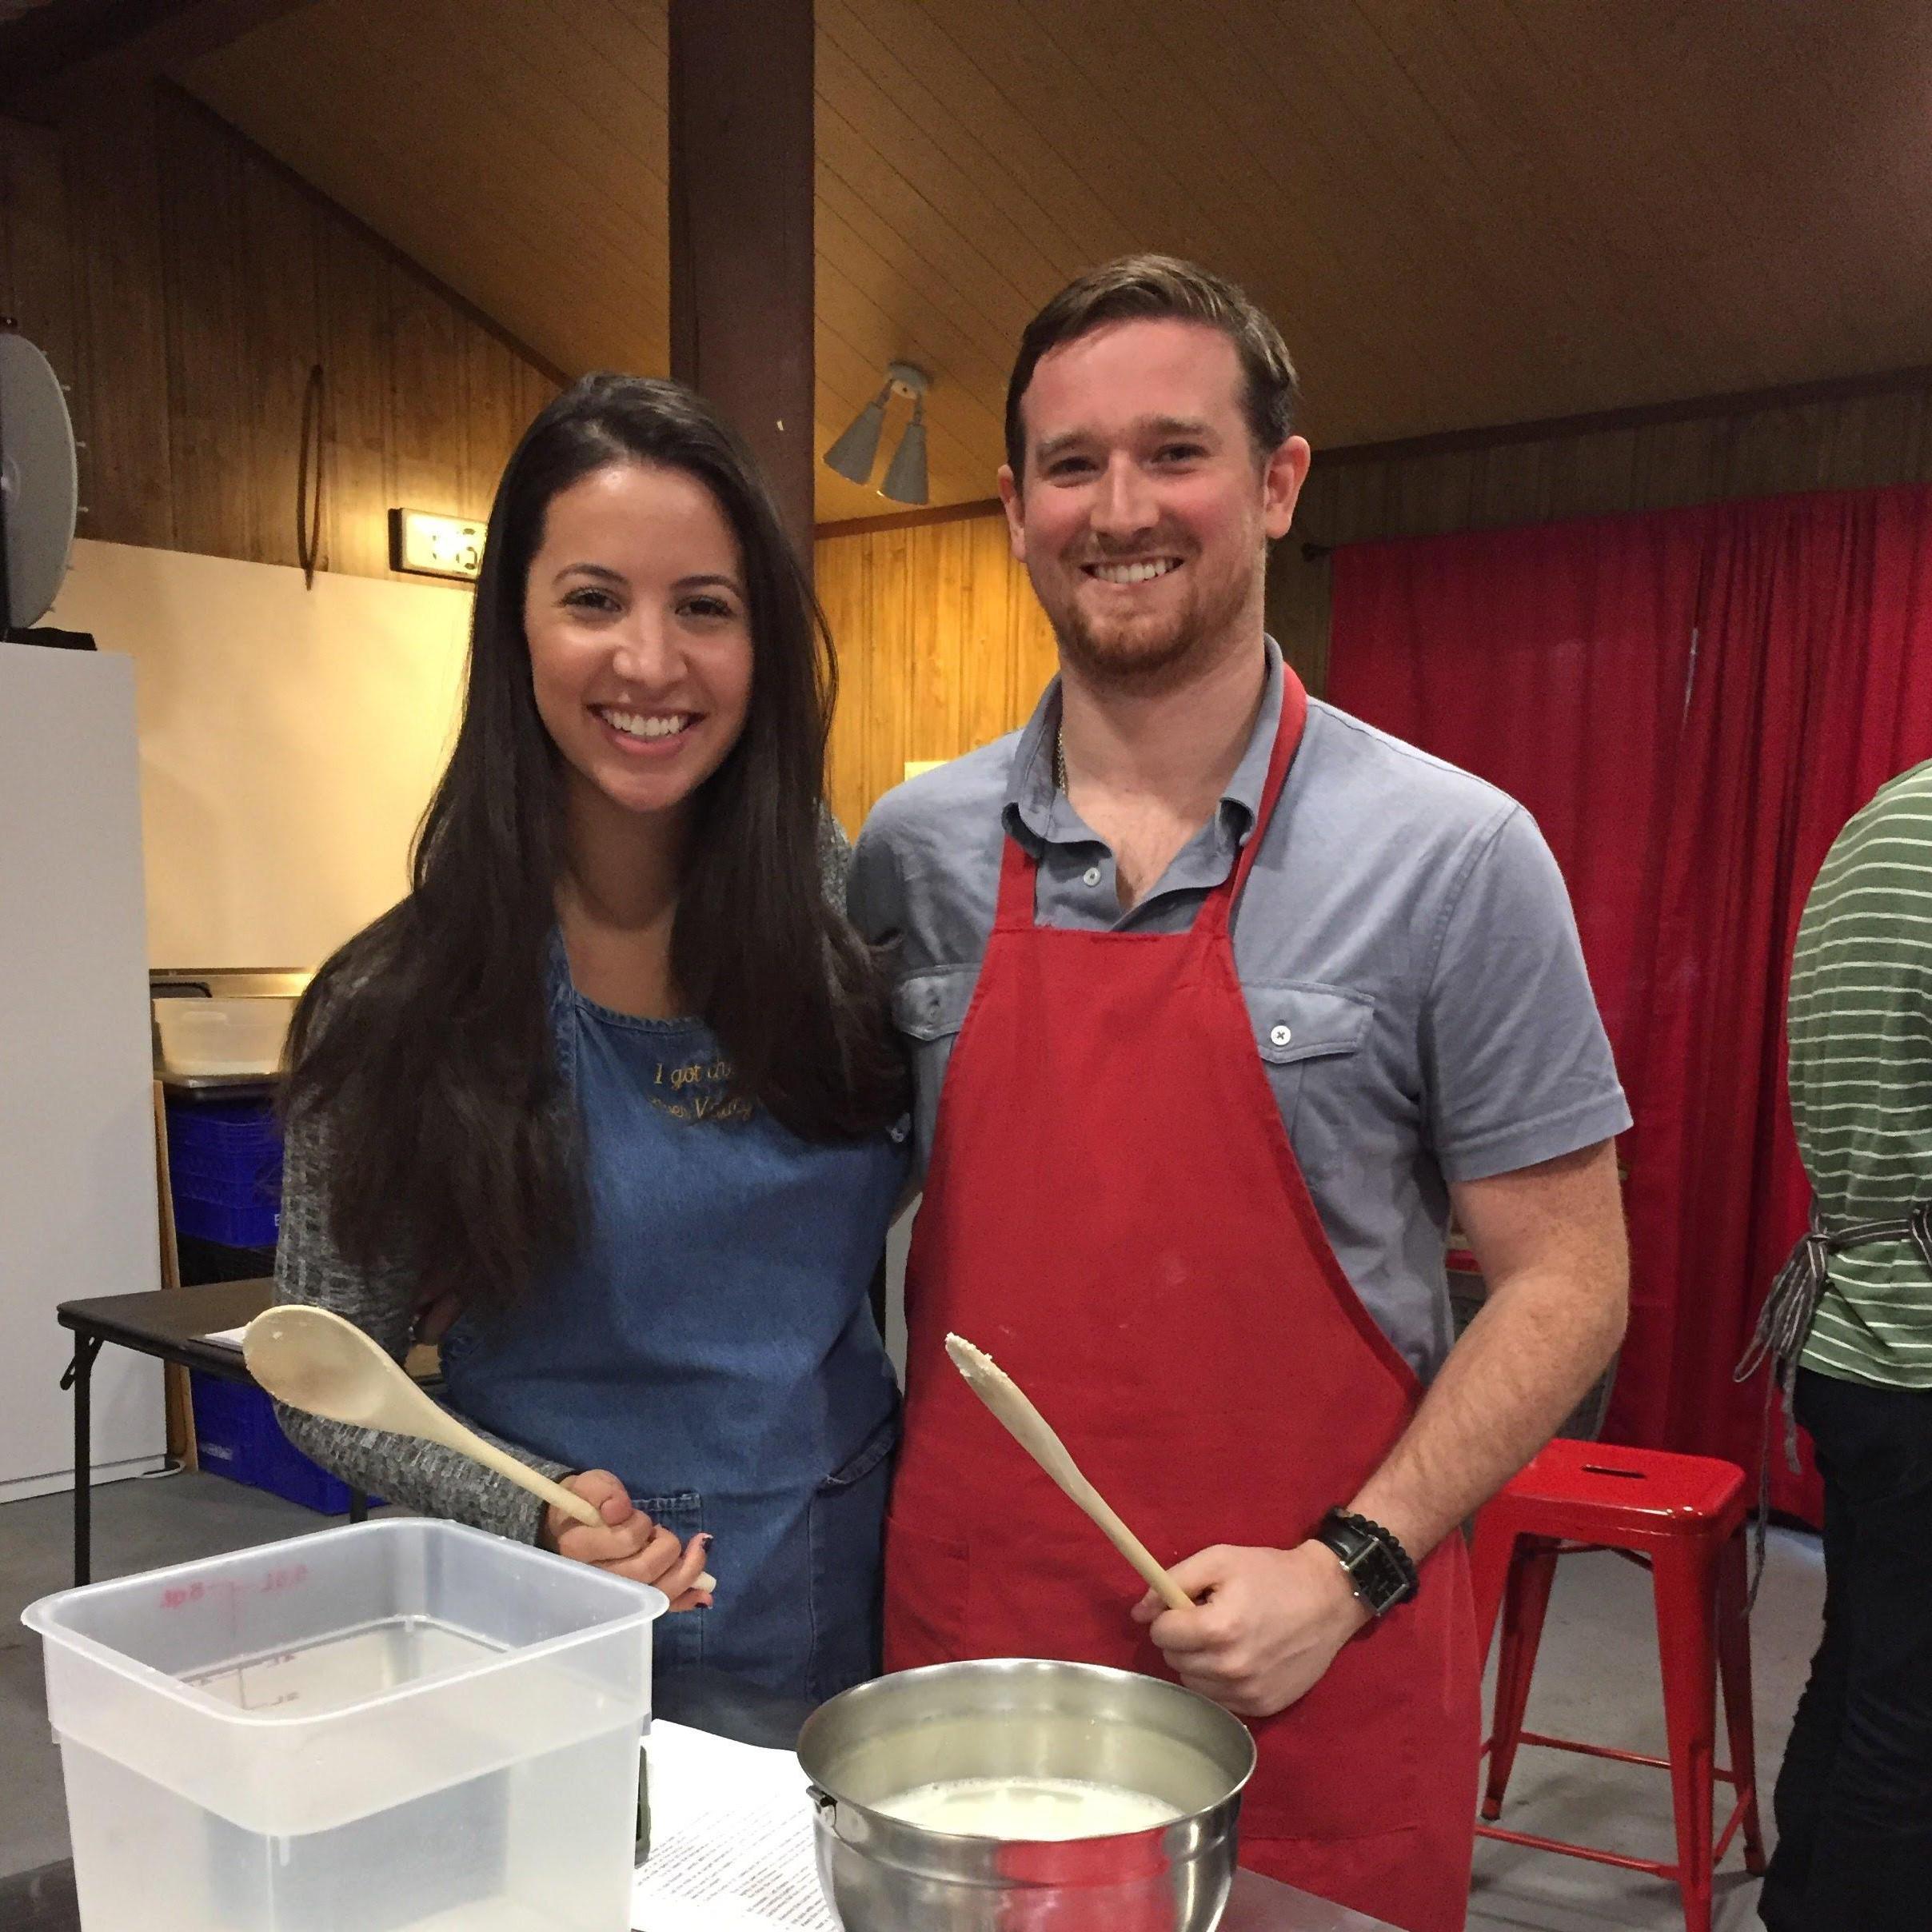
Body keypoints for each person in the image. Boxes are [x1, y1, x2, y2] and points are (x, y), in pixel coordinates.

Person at [849, 257, 1630, 1930]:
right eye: (1070, 464)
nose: (1118, 508)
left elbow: (1569, 1276)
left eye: (1172, 452)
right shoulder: (908, 853)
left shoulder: (1452, 854)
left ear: (1276, 480)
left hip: (1312, 1686)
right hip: (976, 1670)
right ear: (1013, 507)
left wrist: (1348, 1563)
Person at [275, 373, 908, 1702]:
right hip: (528, 1639)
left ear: (763, 648)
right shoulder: (399, 1005)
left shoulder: (850, 939)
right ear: (515, 629)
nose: (651, 662)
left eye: (704, 608)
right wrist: (534, 1505)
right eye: (593, 599)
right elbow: (326, 1378)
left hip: (841, 1607)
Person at [1742, 759, 1932, 1932]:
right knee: (1911, 1719)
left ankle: (1799, 1903)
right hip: (1915, 1349)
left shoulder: (1887, 814)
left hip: (1859, 1330)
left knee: (1870, 1662)